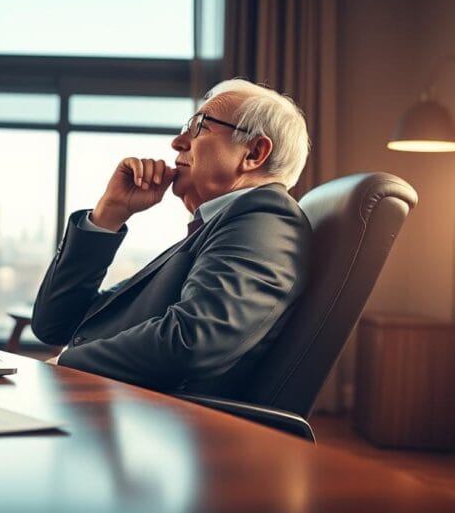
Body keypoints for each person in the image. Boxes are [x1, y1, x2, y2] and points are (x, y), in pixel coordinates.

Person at [31, 78, 313, 399]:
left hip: (158, 423)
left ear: (254, 152)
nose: (177, 142)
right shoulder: (213, 229)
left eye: (199, 127)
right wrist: (108, 214)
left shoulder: (265, 218)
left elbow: (196, 339)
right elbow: (53, 324)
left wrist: (64, 364)